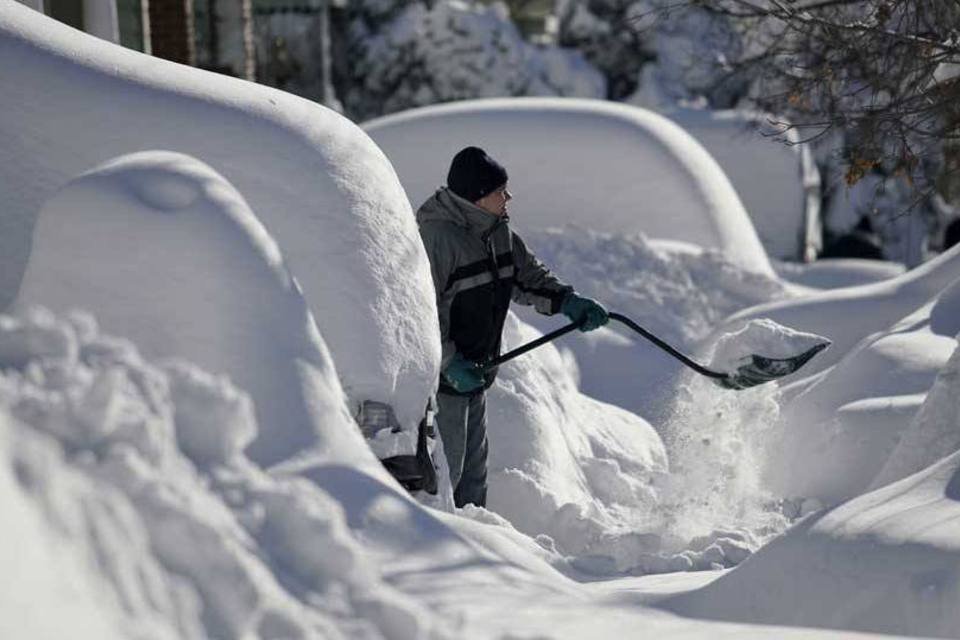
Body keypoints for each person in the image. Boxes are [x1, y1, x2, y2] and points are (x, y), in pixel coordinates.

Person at [416, 146, 608, 508]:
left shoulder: (497, 232)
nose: (508, 197)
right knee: (444, 479)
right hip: (442, 384)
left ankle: (477, 543)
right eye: (499, 192)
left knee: (473, 480)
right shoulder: (437, 238)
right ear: (476, 198)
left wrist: (568, 302)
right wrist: (448, 362)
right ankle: (436, 543)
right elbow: (421, 310)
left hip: (476, 373)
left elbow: (527, 277)